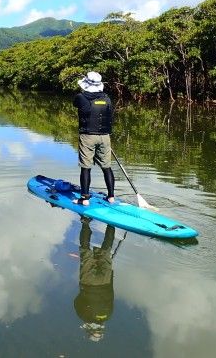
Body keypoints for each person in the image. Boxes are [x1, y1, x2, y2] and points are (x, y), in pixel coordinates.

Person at [73, 71, 115, 205]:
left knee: (86, 167)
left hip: (88, 136)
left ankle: (84, 198)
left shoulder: (81, 97)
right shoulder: (107, 98)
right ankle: (111, 197)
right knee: (106, 167)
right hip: (105, 137)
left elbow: (76, 103)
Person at [74, 218, 116, 342]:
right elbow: (77, 301)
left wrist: (111, 276)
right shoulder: (83, 316)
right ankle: (86, 222)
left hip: (105, 281)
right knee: (85, 250)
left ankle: (111, 224)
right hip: (88, 284)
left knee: (106, 251)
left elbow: (111, 294)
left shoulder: (108, 315)